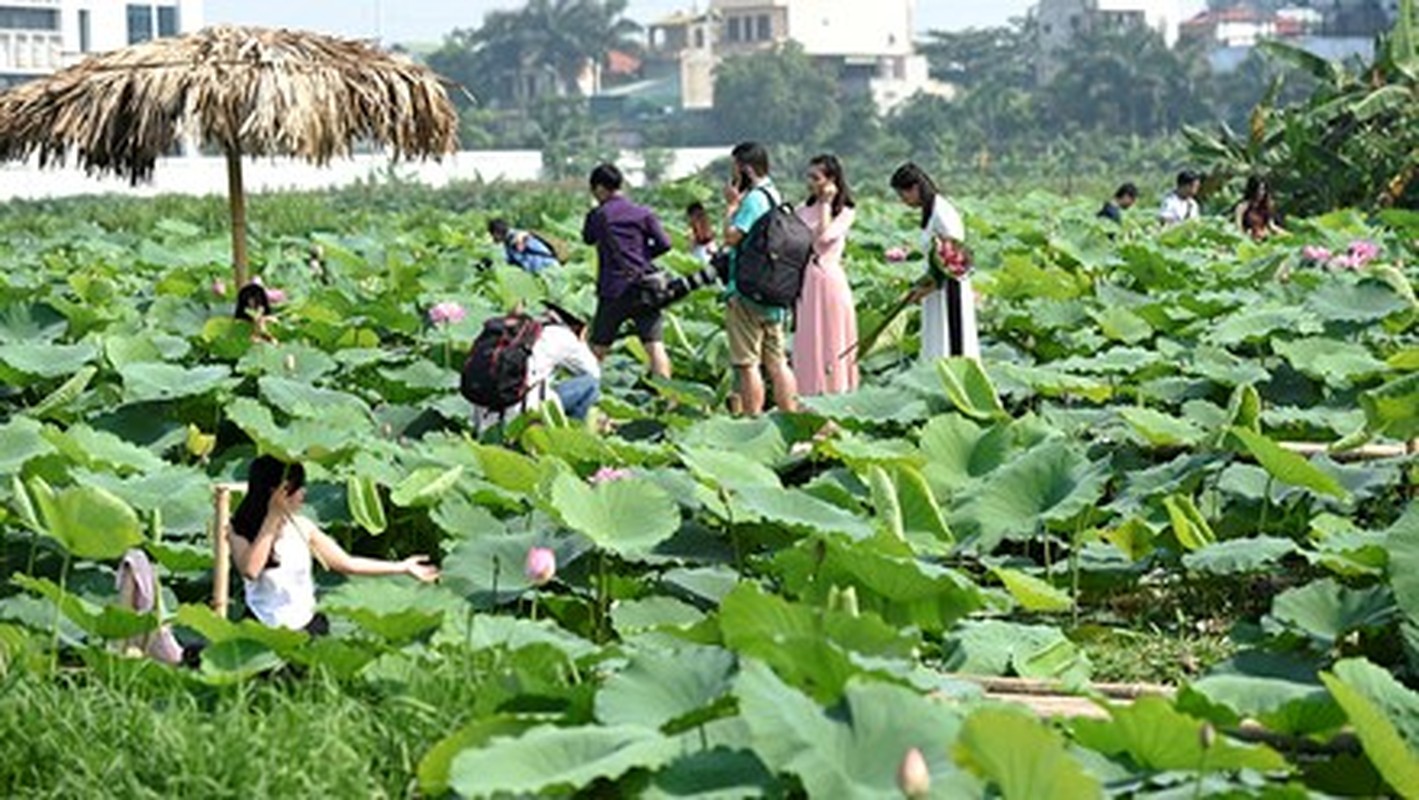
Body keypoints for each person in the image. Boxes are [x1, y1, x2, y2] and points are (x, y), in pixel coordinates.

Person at [229, 456, 439, 633]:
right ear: (277, 492)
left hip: (306, 624)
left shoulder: (304, 527)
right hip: (262, 625)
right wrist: (272, 518)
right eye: (297, 487)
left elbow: (347, 563)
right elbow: (251, 570)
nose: (304, 494)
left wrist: (402, 567)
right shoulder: (239, 529)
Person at [721, 141, 799, 415]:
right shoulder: (774, 195)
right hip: (774, 291)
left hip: (747, 291)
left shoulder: (753, 199)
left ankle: (753, 421)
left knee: (747, 363)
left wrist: (731, 206)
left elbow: (731, 237)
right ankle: (790, 416)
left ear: (745, 169)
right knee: (777, 362)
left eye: (735, 168)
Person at [581, 163, 673, 380]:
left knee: (597, 349)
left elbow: (588, 239)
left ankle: (589, 398)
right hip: (645, 288)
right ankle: (669, 400)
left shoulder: (599, 215)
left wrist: (592, 211)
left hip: (614, 291)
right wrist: (643, 256)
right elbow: (665, 244)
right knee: (655, 347)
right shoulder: (643, 213)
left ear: (600, 188)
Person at [890, 163, 980, 361]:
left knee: (951, 343)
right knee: (936, 340)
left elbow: (956, 259)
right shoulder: (931, 210)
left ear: (915, 188)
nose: (903, 201)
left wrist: (926, 288)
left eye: (903, 195)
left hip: (949, 290)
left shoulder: (942, 213)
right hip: (936, 289)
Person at [466, 305, 602, 433]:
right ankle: (568, 435)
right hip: (524, 415)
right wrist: (581, 342)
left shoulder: (515, 329)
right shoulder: (563, 335)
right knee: (591, 385)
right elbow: (594, 372)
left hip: (482, 414)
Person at [794, 154, 859, 396]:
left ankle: (835, 398)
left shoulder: (846, 212)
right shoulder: (802, 209)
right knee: (808, 342)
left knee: (832, 340)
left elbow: (823, 239)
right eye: (809, 176)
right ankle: (807, 397)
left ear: (831, 179)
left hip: (830, 279)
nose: (810, 182)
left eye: (815, 177)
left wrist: (825, 203)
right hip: (807, 280)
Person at [488, 218, 560, 275]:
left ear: (496, 233)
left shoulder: (517, 237)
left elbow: (524, 255)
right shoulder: (508, 243)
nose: (492, 238)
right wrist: (490, 264)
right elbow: (508, 261)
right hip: (543, 271)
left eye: (492, 234)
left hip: (549, 269)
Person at [1235, 175, 1283, 240]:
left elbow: (1271, 226)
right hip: (1249, 239)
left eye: (1263, 190)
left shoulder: (1266, 207)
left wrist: (1288, 235)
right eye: (1259, 190)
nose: (1261, 193)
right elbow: (1239, 227)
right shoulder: (1242, 207)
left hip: (1264, 238)